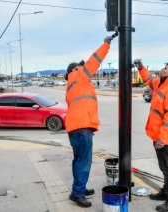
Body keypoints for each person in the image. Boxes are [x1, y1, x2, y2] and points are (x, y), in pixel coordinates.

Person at [65, 36, 114, 208]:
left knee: (78, 160)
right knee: (84, 161)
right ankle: (77, 193)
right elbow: (94, 60)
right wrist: (106, 43)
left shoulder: (73, 83)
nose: (83, 67)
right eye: (80, 66)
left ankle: (79, 188)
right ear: (75, 69)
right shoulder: (79, 76)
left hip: (76, 127)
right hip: (81, 126)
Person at [135, 59, 168, 212]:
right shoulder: (162, 84)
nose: (162, 69)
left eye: (165, 68)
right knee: (164, 167)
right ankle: (165, 191)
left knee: (166, 168)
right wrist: (141, 67)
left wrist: (162, 138)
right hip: (157, 135)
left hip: (163, 137)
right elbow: (149, 81)